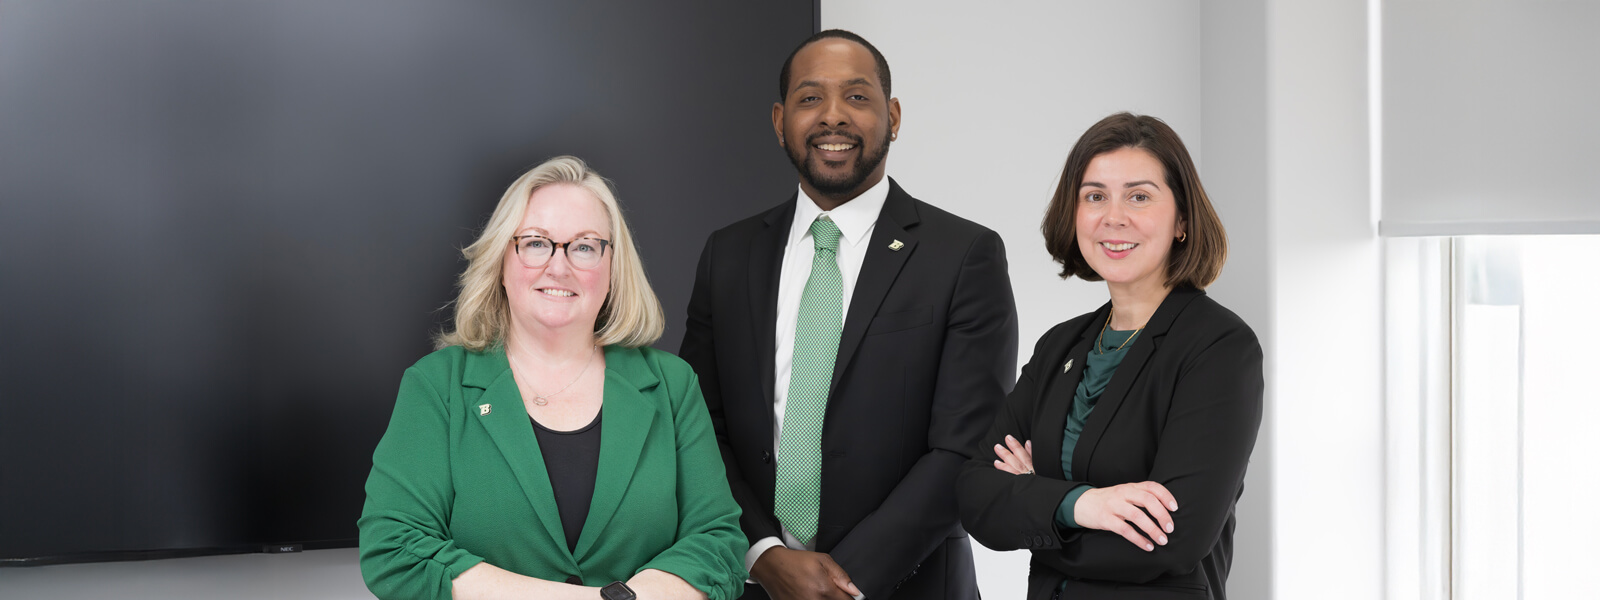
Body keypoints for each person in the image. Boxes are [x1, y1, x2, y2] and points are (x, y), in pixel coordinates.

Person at [679, 30, 1018, 600]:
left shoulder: (963, 255)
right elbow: (697, 427)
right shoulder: (728, 255)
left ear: (893, 115)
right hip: (752, 585)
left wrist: (845, 581)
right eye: (811, 99)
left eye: (857, 97)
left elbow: (966, 444)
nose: (833, 117)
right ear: (779, 119)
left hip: (910, 585)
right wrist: (764, 556)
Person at [359, 156, 747, 600]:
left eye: (584, 246)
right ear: (502, 259)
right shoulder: (436, 386)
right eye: (536, 243)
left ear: (612, 268)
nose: (559, 267)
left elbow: (718, 545)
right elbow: (394, 548)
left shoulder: (673, 385)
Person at [956, 113, 1263, 600]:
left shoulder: (1219, 347)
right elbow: (975, 496)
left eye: (1139, 196)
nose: (1112, 217)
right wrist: (1085, 506)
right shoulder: (1061, 344)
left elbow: (1172, 542)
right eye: (1095, 196)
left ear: (1182, 218)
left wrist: (1037, 503)